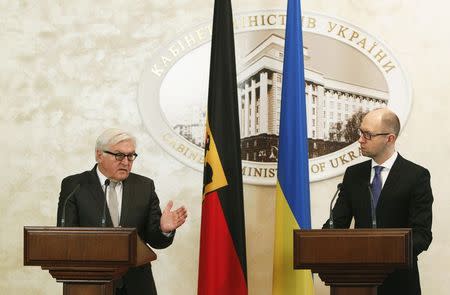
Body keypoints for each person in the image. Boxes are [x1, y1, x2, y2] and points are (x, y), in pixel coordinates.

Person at [57, 128, 187, 295]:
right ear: (99, 155)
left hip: (136, 285)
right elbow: (64, 238)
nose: (126, 162)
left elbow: (155, 241)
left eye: (131, 156)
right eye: (119, 155)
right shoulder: (75, 186)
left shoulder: (144, 187)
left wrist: (163, 230)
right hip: (90, 284)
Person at [323, 108, 433, 295]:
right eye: (361, 133)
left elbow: (422, 235)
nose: (360, 139)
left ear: (389, 139)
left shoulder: (416, 176)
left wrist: (384, 253)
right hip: (356, 282)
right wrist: (320, 244)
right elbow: (336, 224)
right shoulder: (353, 174)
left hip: (400, 283)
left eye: (368, 135)